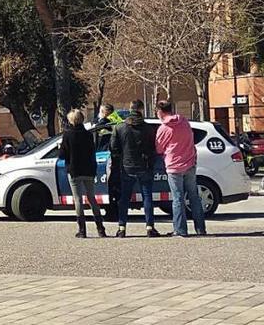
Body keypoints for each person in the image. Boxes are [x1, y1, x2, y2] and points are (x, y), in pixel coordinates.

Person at [155, 101, 206, 237]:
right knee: (194, 196)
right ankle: (200, 228)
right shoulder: (184, 122)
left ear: (160, 112)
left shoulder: (164, 128)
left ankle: (181, 229)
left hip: (174, 166)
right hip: (190, 163)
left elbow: (159, 148)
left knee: (178, 198)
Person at [110, 100, 160, 238]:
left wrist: (119, 162)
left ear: (130, 109)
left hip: (127, 167)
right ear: (142, 110)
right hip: (145, 166)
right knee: (147, 197)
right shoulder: (149, 128)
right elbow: (154, 148)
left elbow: (113, 148)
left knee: (124, 198)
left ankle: (122, 228)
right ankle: (150, 227)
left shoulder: (119, 127)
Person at [59, 109, 107, 238]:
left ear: (71, 120)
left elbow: (62, 155)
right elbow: (92, 152)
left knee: (78, 199)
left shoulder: (68, 135)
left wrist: (61, 148)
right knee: (92, 198)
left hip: (74, 170)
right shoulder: (88, 134)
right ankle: (100, 228)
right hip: (89, 169)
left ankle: (82, 230)